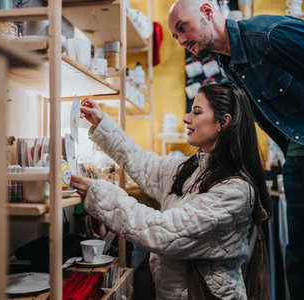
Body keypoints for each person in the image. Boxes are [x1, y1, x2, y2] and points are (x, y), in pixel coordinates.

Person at [168, 1, 304, 299]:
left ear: (206, 10)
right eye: (175, 36)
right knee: (298, 255)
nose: (181, 40)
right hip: (296, 159)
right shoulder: (230, 66)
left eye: (182, 28)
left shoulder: (269, 36)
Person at [70, 82, 270, 299]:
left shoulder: (235, 191)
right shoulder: (193, 168)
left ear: (223, 122)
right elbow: (145, 165)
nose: (186, 118)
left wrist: (100, 193)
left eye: (197, 112)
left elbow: (164, 233)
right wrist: (102, 124)